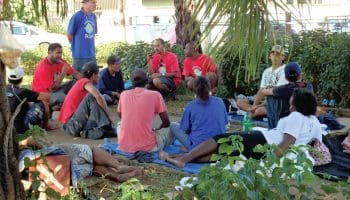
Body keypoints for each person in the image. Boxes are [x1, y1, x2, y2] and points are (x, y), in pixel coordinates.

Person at [161, 89, 323, 167]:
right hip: (264, 144)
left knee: (220, 140)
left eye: (292, 99)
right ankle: (180, 157)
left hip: (263, 142)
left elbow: (288, 141)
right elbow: (315, 144)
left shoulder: (296, 117)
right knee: (222, 153)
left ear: (296, 103)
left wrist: (268, 162)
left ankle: (182, 158)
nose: (290, 101)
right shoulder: (314, 121)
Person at [19, 136, 143, 185]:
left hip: (59, 177)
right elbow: (30, 141)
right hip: (48, 158)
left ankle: (117, 176)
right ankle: (117, 166)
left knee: (92, 167)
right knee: (91, 151)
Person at [117, 68, 173, 153]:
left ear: (131, 82)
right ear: (147, 81)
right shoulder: (155, 95)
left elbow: (121, 116)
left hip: (124, 147)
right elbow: (166, 122)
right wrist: (156, 130)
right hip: (148, 148)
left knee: (119, 124)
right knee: (174, 127)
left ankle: (128, 141)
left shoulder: (123, 94)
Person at [58, 61, 115, 139]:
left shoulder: (82, 82)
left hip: (72, 124)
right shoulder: (84, 81)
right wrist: (109, 116)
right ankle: (106, 127)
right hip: (71, 125)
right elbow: (98, 96)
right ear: (93, 75)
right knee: (92, 96)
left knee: (95, 124)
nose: (99, 76)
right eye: (98, 73)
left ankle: (96, 131)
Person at [169, 76, 228, 152]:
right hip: (219, 144)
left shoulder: (190, 106)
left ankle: (189, 148)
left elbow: (185, 130)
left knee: (173, 125)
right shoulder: (220, 101)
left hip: (198, 147)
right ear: (209, 87)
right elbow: (225, 123)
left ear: (194, 90)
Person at [237, 45, 289, 117]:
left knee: (258, 111)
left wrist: (257, 106)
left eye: (278, 54)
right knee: (240, 102)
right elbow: (261, 90)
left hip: (275, 101)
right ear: (270, 56)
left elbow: (277, 93)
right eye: (273, 54)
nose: (275, 56)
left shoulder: (286, 70)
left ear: (283, 57)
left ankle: (248, 113)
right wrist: (254, 105)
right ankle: (251, 112)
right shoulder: (266, 71)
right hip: (263, 100)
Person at [6, 67, 57, 133]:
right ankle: (46, 124)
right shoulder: (22, 92)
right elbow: (47, 97)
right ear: (21, 79)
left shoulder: (4, 89)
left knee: (28, 102)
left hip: (7, 124)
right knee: (42, 102)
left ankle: (44, 123)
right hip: (20, 128)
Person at [32, 43, 80, 107]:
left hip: (55, 90)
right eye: (57, 53)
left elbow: (75, 73)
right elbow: (52, 89)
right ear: (50, 52)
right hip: (44, 96)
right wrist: (63, 73)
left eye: (61, 53)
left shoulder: (58, 61)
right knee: (66, 98)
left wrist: (87, 80)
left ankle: (61, 104)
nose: (60, 55)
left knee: (76, 83)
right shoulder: (43, 68)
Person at [67, 0, 98, 73]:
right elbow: (69, 35)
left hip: (91, 54)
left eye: (95, 2)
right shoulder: (77, 16)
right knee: (80, 81)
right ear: (85, 3)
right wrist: (76, 46)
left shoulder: (93, 16)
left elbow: (94, 32)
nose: (95, 4)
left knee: (93, 80)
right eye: (93, 2)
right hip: (79, 56)